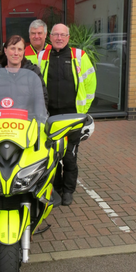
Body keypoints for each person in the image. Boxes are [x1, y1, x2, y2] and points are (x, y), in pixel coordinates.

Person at [38, 23, 97, 206]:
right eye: (56, 34)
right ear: (50, 37)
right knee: (52, 155)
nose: (59, 38)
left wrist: (82, 111)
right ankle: (55, 188)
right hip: (50, 117)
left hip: (72, 116)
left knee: (69, 156)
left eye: (63, 35)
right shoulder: (42, 56)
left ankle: (68, 190)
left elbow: (90, 85)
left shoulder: (79, 56)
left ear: (68, 38)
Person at [0, 35, 48, 107]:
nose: (16, 53)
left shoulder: (33, 72)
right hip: (2, 117)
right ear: (5, 51)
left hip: (27, 118)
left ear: (24, 52)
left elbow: (42, 99)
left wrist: (36, 116)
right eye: (12, 48)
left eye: (19, 49)